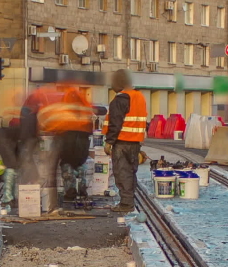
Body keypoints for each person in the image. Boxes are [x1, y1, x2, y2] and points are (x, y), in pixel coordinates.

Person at [38, 86, 94, 200]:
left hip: (67, 142)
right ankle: (82, 189)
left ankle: (70, 192)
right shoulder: (85, 110)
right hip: (82, 143)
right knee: (80, 163)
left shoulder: (63, 109)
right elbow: (90, 129)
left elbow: (53, 125)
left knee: (67, 165)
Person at [103, 69, 148, 213]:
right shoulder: (139, 97)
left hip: (121, 142)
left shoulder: (119, 100)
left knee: (122, 174)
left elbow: (115, 123)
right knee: (130, 172)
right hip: (135, 143)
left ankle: (126, 204)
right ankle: (129, 201)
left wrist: (109, 142)